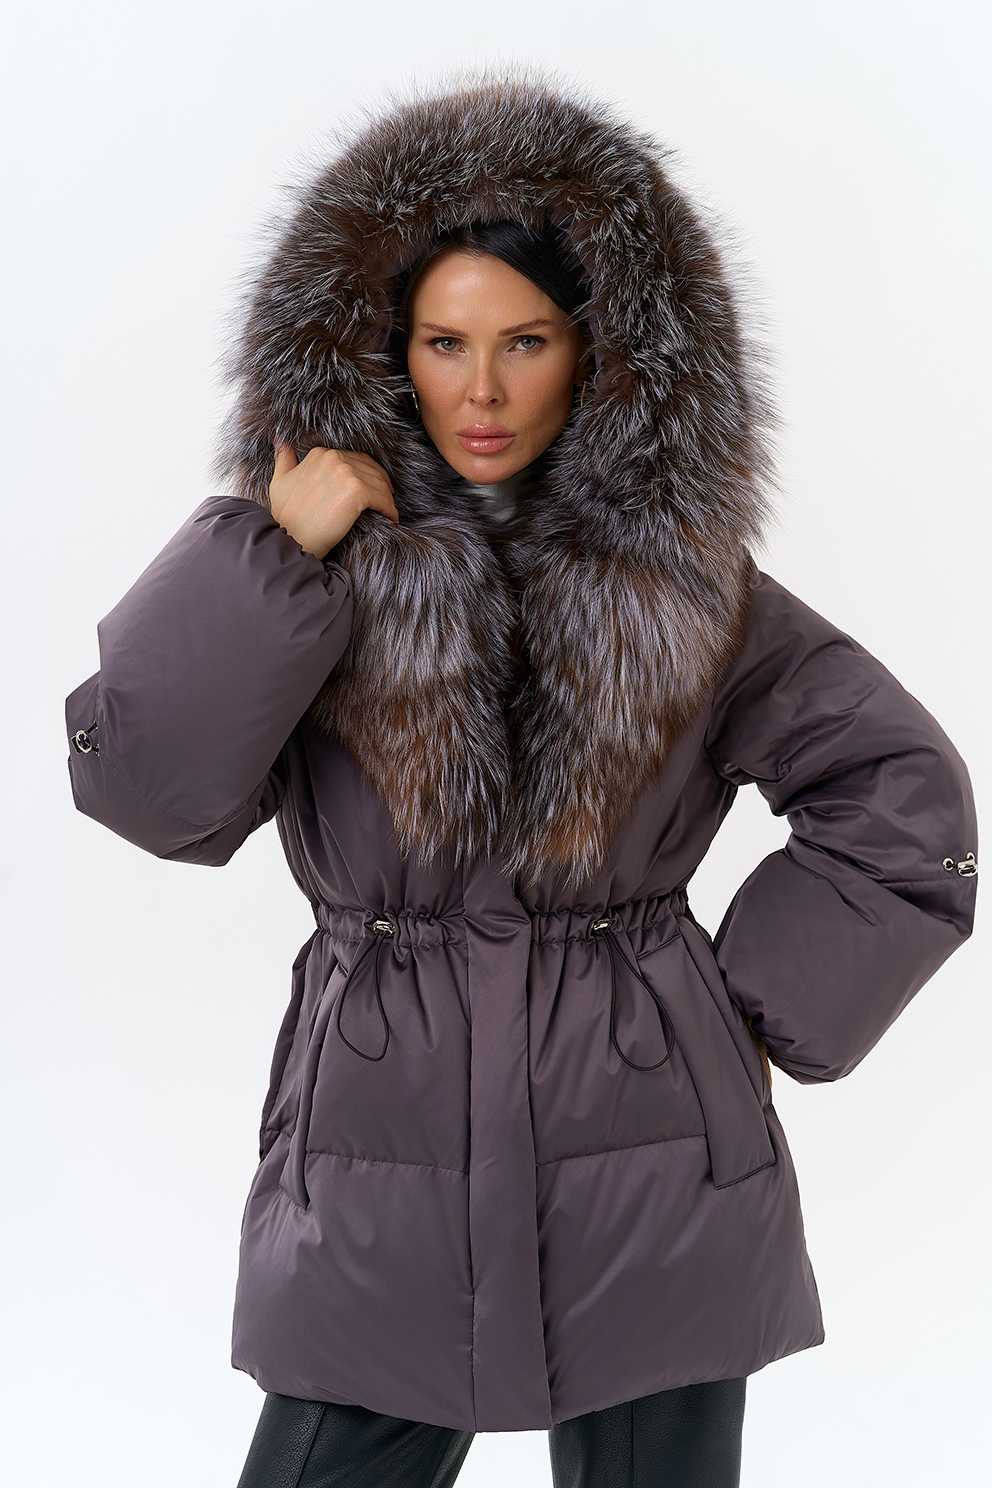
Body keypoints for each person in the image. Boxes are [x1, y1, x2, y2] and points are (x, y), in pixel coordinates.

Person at [64, 75, 978, 1488]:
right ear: (385, 350)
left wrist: (745, 1021)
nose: (480, 390)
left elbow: (901, 795)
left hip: (655, 1165)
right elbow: (145, 791)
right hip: (381, 1164)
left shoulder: (683, 588)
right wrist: (268, 556)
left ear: (596, 353)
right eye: (444, 342)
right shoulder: (314, 578)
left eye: (524, 342)